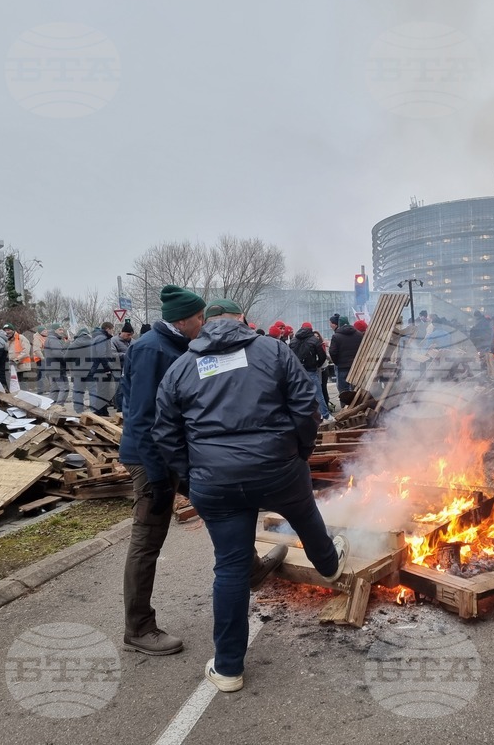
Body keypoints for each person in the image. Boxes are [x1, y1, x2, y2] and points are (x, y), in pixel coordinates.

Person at [153, 302, 347, 692]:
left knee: (230, 567)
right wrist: (300, 453)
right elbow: (305, 407)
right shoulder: (273, 350)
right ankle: (328, 565)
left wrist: (193, 477)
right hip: (276, 467)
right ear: (241, 320)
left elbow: (166, 433)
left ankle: (227, 669)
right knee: (305, 515)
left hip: (215, 481)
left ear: (205, 325)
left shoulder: (181, 367)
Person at [118, 285, 206, 657]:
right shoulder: (152, 349)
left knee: (218, 504)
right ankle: (138, 628)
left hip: (172, 454)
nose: (204, 323)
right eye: (200, 317)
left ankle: (248, 570)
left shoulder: (178, 347)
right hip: (150, 458)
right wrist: (156, 475)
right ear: (183, 320)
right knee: (147, 539)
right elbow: (141, 417)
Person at [290, 319, 332, 423]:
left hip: (297, 372)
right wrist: (316, 364)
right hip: (311, 371)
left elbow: (289, 356)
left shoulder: (294, 340)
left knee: (299, 395)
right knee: (318, 394)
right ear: (310, 329)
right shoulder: (314, 340)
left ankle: (303, 418)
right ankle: (325, 416)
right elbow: (322, 356)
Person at [88, 323, 119, 415]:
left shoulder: (99, 337)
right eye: (112, 329)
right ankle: (100, 412)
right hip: (101, 369)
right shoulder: (102, 338)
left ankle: (102, 411)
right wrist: (107, 368)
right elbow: (102, 355)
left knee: (103, 391)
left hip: (98, 368)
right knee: (103, 391)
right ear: (107, 329)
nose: (112, 331)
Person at [329, 316, 363, 398]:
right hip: (356, 366)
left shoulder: (336, 336)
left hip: (342, 367)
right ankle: (358, 407)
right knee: (356, 389)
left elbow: (332, 352)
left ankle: (345, 408)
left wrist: (337, 362)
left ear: (339, 324)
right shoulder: (359, 334)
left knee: (344, 391)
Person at [65, 327, 94, 414]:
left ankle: (78, 409)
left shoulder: (73, 345)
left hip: (77, 372)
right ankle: (94, 410)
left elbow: (66, 358)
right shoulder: (93, 343)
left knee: (78, 391)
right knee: (93, 391)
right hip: (91, 371)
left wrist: (72, 366)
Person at [110, 322, 135, 412]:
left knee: (129, 389)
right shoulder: (114, 341)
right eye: (128, 334)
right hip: (117, 368)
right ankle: (120, 409)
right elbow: (112, 354)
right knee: (119, 389)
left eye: (131, 335)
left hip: (129, 369)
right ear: (123, 332)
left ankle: (127, 408)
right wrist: (127, 355)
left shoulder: (133, 342)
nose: (129, 337)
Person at [43, 324, 69, 405]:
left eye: (62, 330)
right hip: (58, 368)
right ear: (55, 330)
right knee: (65, 388)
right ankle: (59, 407)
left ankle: (49, 406)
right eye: (60, 330)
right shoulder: (54, 340)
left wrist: (67, 344)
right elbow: (58, 354)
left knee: (55, 389)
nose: (62, 331)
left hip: (52, 368)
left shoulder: (50, 339)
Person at [2, 323, 34, 389]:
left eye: (8, 330)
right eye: (5, 330)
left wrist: (16, 360)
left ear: (13, 330)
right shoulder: (6, 340)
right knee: (14, 385)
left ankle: (24, 398)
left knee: (22, 384)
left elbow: (26, 351)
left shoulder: (21, 338)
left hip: (23, 366)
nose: (7, 332)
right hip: (12, 366)